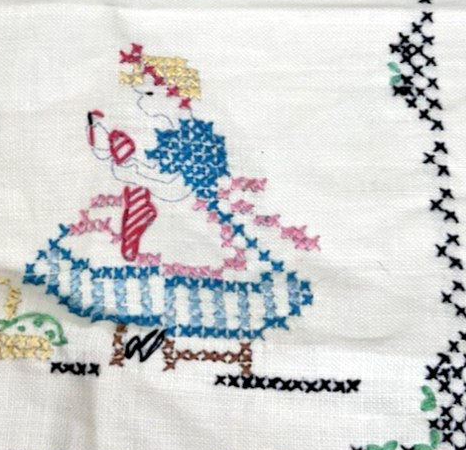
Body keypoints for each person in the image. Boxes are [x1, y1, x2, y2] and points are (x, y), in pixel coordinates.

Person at [23, 45, 318, 372]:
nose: (140, 102)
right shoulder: (168, 136)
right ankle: (146, 353)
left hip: (190, 225)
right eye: (140, 94)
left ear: (178, 95)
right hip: (161, 219)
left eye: (148, 94)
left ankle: (189, 357)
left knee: (180, 290)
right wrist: (121, 161)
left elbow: (177, 188)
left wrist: (132, 170)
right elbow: (154, 175)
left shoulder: (197, 138)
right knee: (146, 288)